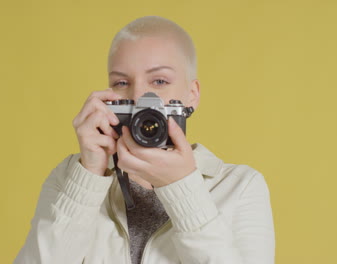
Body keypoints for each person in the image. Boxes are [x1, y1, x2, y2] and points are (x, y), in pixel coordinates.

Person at [14, 16, 275, 264]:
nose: (140, 96)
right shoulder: (69, 178)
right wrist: (88, 176)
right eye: (121, 82)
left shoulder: (239, 187)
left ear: (191, 95)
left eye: (159, 81)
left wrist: (182, 188)